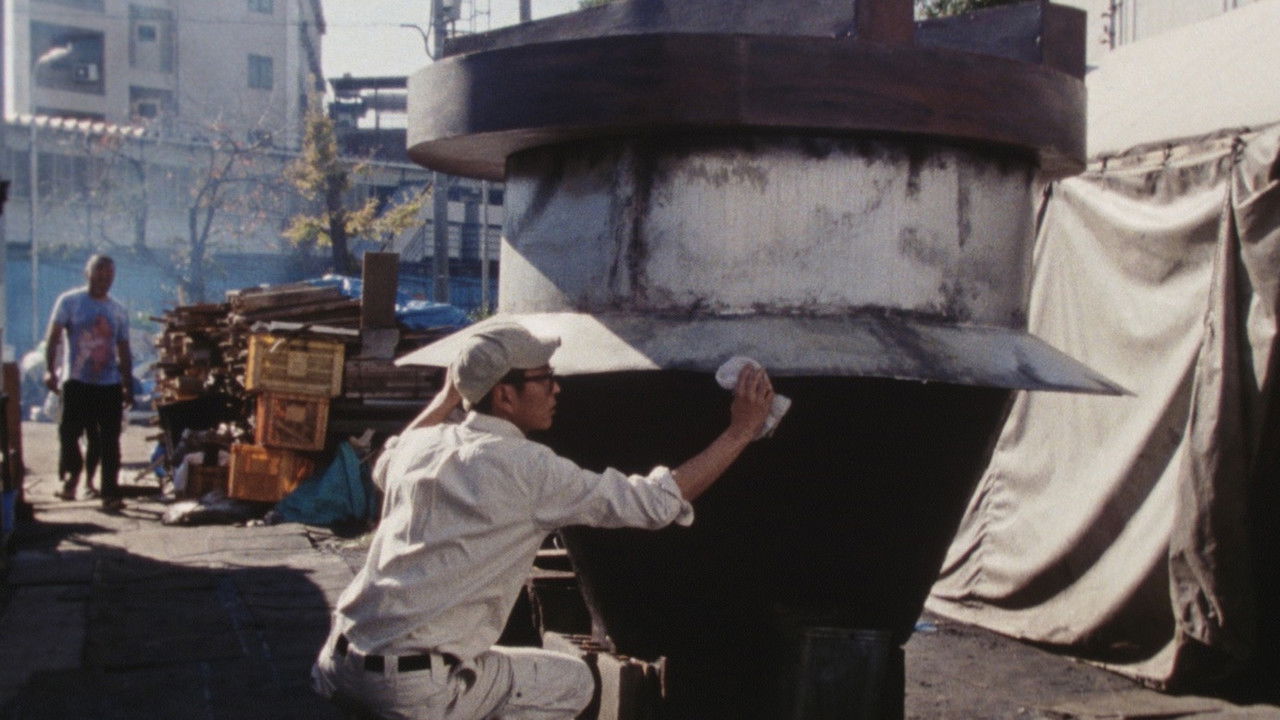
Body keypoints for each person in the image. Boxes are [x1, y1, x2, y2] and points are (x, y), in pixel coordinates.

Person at [312, 322, 776, 720]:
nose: (556, 389)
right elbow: (652, 503)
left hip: (342, 661)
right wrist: (740, 431)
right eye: (544, 378)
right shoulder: (527, 467)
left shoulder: (421, 446)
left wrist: (449, 394)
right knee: (572, 683)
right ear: (505, 395)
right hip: (412, 688)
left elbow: (387, 458)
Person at [44, 254, 133, 510]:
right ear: (88, 273)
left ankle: (109, 492)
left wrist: (127, 384)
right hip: (76, 381)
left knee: (108, 440)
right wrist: (50, 370)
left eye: (109, 274)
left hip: (108, 384)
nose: (105, 278)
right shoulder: (70, 302)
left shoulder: (117, 310)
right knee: (68, 433)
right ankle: (73, 473)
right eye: (99, 272)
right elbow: (53, 338)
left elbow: (124, 349)